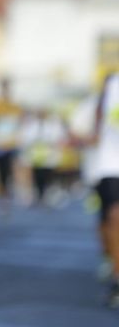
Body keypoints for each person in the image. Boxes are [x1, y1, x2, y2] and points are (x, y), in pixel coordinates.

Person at [88, 72, 119, 308]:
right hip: (112, 165)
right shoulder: (112, 84)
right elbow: (97, 126)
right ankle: (117, 277)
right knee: (114, 217)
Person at [0, 78, 22, 211]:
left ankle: (7, 194)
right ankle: (3, 195)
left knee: (9, 171)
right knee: (0, 172)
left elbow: (18, 124)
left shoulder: (14, 106)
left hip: (11, 145)